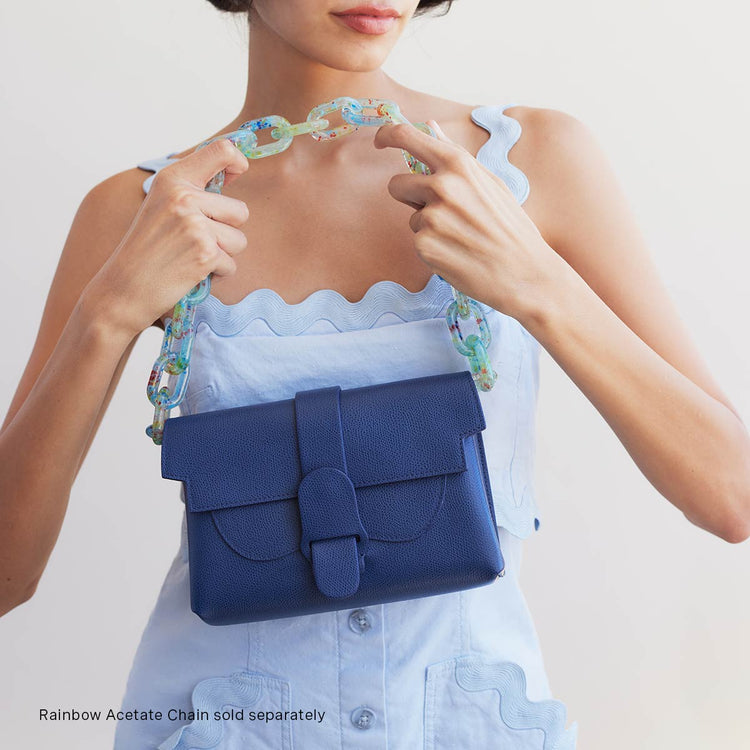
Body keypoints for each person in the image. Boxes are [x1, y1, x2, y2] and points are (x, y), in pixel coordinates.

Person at [2, 1, 749, 747]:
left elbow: (730, 495)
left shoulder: (529, 163)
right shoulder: (138, 212)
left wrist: (540, 286)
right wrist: (106, 317)